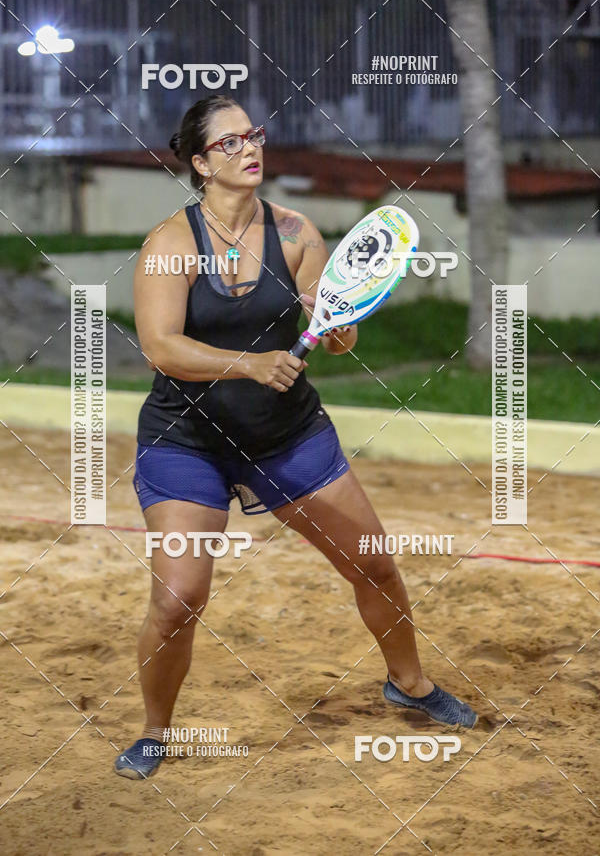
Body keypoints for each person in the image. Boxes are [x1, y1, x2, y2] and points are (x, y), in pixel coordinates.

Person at [114, 95, 477, 780]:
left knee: (374, 564)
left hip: (286, 434)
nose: (249, 147)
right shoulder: (169, 244)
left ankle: (410, 683)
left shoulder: (295, 233)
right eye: (229, 142)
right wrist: (250, 364)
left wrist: (338, 329)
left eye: (253, 135)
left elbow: (337, 333)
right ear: (200, 163)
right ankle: (155, 731)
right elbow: (161, 347)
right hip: (187, 440)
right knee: (179, 598)